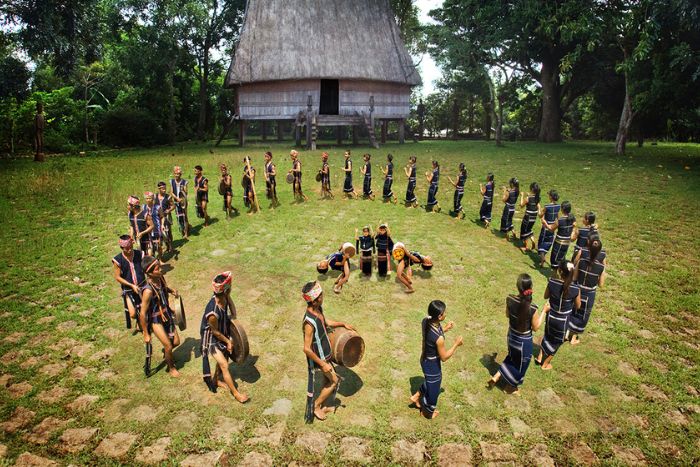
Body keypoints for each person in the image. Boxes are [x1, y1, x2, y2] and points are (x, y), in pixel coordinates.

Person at [301, 281, 355, 422]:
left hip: (325, 352)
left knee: (327, 379)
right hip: (318, 357)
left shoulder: (318, 309)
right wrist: (322, 364)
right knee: (334, 381)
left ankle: (323, 406)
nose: (323, 296)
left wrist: (342, 324)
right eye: (320, 295)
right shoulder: (309, 323)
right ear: (314, 299)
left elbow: (326, 322)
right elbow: (306, 348)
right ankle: (316, 406)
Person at [486, 274, 543, 394]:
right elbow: (536, 327)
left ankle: (496, 376)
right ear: (530, 287)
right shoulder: (532, 308)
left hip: (511, 335)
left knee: (512, 357)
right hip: (523, 342)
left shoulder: (510, 299)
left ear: (518, 287)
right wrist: (544, 312)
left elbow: (507, 315)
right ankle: (510, 387)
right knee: (521, 365)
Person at [200, 271, 249, 402]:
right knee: (224, 365)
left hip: (222, 330)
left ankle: (216, 380)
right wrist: (228, 341)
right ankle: (236, 394)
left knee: (223, 359)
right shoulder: (212, 312)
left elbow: (233, 312)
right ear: (226, 290)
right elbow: (214, 332)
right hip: (211, 337)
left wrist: (229, 298)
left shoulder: (224, 297)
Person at [409, 300, 463, 419]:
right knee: (434, 388)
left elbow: (431, 335)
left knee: (430, 381)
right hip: (432, 365)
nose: (445, 314)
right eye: (444, 313)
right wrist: (456, 344)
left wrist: (445, 329)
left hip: (424, 359)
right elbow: (444, 357)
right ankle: (427, 412)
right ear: (439, 316)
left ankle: (416, 396)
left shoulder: (425, 320)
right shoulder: (439, 339)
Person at [140, 256, 181, 377]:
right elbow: (142, 313)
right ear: (149, 273)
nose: (160, 269)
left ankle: (167, 352)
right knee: (168, 345)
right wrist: (146, 334)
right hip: (156, 320)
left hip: (166, 313)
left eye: (159, 266)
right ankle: (171, 367)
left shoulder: (160, 278)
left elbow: (163, 289)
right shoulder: (148, 291)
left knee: (176, 342)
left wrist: (170, 290)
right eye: (157, 269)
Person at [535, 261, 581, 370]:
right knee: (557, 342)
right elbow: (578, 306)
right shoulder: (575, 289)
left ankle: (540, 356)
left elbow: (545, 296)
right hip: (563, 320)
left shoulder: (552, 282)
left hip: (550, 315)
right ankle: (545, 364)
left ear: (560, 271)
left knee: (547, 335)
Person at [568, 233, 607, 345]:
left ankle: (566, 332)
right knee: (583, 314)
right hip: (589, 293)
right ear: (599, 252)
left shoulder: (581, 261)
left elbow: (574, 277)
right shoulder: (601, 267)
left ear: (589, 249)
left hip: (578, 289)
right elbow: (601, 285)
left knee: (573, 309)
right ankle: (573, 337)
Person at [112, 235, 145, 330]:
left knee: (147, 307)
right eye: (127, 249)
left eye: (131, 247)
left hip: (142, 286)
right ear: (122, 248)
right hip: (129, 290)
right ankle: (138, 319)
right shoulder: (118, 260)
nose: (130, 250)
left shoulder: (140, 254)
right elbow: (117, 277)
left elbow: (146, 267)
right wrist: (131, 285)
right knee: (133, 314)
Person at [542, 201, 576, 269]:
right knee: (562, 259)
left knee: (554, 261)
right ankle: (561, 275)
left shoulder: (560, 220)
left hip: (559, 244)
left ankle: (556, 277)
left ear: (562, 209)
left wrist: (545, 223)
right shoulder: (572, 218)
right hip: (566, 243)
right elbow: (574, 226)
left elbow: (551, 229)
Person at [536, 190, 561, 267]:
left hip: (546, 227)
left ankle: (542, 259)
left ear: (550, 197)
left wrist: (539, 207)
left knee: (542, 242)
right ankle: (543, 256)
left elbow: (540, 215)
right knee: (548, 242)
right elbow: (558, 217)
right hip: (552, 228)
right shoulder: (558, 206)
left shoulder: (547, 206)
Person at [519, 182, 541, 252]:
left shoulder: (528, 198)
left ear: (531, 189)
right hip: (534, 217)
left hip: (527, 217)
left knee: (524, 230)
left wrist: (522, 196)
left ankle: (525, 247)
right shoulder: (538, 198)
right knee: (529, 229)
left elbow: (521, 205)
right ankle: (533, 241)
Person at [170, 166, 189, 239]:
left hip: (183, 202)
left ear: (180, 174)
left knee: (185, 217)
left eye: (178, 174)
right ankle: (182, 231)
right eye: (175, 174)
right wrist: (176, 198)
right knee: (179, 217)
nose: (177, 175)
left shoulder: (184, 182)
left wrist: (182, 193)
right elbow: (171, 192)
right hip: (176, 202)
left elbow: (186, 192)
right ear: (174, 174)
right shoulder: (172, 181)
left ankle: (186, 233)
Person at [156, 182, 174, 254]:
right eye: (162, 189)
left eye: (165, 188)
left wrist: (169, 210)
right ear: (159, 189)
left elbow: (173, 206)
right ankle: (166, 246)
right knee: (161, 233)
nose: (164, 190)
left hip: (166, 217)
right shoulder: (155, 197)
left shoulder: (168, 197)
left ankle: (171, 246)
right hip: (157, 218)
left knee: (168, 232)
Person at [144, 192, 163, 259]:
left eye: (150, 198)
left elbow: (162, 217)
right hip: (147, 230)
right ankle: (152, 260)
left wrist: (162, 225)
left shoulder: (157, 207)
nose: (148, 200)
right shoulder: (143, 207)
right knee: (149, 246)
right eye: (147, 198)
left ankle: (160, 259)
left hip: (157, 229)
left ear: (153, 199)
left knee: (159, 245)